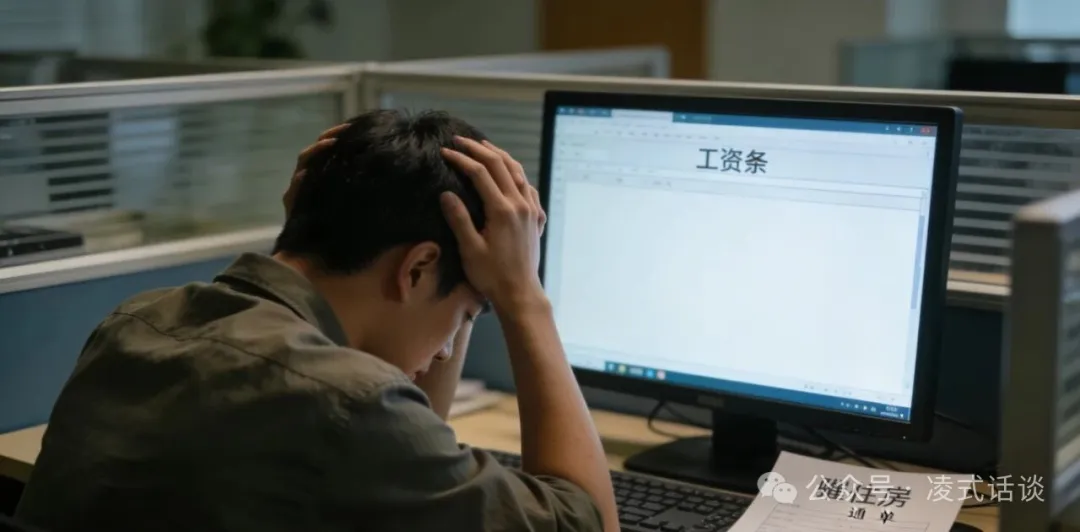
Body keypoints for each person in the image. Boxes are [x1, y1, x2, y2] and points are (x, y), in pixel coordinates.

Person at [15, 110, 618, 532]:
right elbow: (586, 522)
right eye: (464, 314)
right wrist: (521, 295)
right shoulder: (347, 404)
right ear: (416, 269)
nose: (443, 352)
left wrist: (461, 284)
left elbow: (411, 443)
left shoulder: (136, 323)